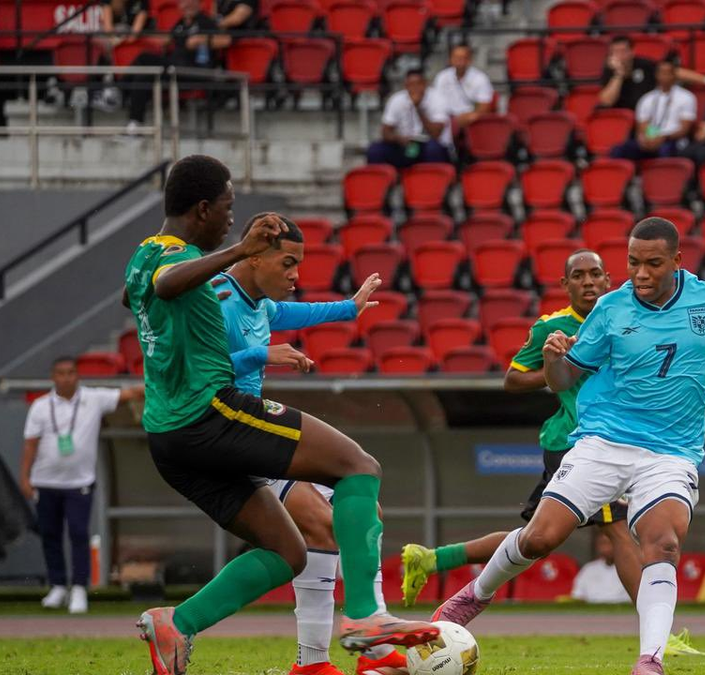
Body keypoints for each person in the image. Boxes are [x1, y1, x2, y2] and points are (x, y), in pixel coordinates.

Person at [431, 217, 705, 675]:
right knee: (541, 537)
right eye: (633, 263)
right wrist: (553, 360)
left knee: (662, 543)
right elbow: (568, 377)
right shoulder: (611, 308)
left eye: (653, 264)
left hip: (671, 453)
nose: (641, 274)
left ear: (677, 262)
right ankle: (472, 598)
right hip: (602, 442)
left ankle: (650, 660)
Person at [123, 155, 437, 675]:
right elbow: (165, 285)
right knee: (358, 467)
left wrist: (348, 307)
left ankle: (176, 624)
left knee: (290, 550)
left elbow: (139, 295)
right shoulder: (180, 260)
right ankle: (363, 620)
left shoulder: (143, 255)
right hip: (210, 413)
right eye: (226, 207)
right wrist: (237, 251)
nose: (230, 217)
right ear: (203, 208)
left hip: (170, 436)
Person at [400, 249, 703, 658]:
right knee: (612, 533)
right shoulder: (553, 326)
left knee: (537, 538)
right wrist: (560, 364)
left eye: (596, 274)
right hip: (575, 444)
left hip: (616, 445)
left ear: (608, 278)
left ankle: (436, 559)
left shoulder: (624, 317)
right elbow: (512, 378)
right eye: (578, 276)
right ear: (566, 285)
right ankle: (657, 637)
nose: (589, 282)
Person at [214, 214, 404, 675]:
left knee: (359, 515)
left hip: (249, 429)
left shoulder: (258, 301)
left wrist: (350, 307)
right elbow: (199, 369)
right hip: (223, 432)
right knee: (327, 515)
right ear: (254, 256)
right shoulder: (217, 299)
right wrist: (262, 354)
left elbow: (295, 314)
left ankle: (318, 661)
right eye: (289, 263)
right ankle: (368, 637)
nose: (297, 275)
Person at [20, 357, 143, 614]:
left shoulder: (93, 398)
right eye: (61, 373)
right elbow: (30, 445)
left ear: (78, 375)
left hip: (79, 482)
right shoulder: (41, 406)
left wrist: (160, 381)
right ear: (53, 376)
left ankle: (78, 588)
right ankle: (57, 586)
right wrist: (25, 478)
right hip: (45, 481)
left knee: (78, 533)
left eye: (71, 373)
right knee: (50, 535)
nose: (67, 378)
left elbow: (128, 393)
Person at [124, 0, 228, 128]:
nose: (186, 6)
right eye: (183, 3)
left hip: (194, 71)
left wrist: (203, 40)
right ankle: (134, 123)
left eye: (190, 3)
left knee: (145, 58)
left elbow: (226, 40)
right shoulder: (180, 24)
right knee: (144, 75)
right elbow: (167, 39)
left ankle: (119, 90)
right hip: (175, 69)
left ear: (198, 4)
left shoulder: (205, 21)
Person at [611, 61, 696, 161]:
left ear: (674, 75)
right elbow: (642, 125)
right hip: (652, 138)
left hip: (672, 139)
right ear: (656, 75)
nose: (664, 77)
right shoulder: (647, 99)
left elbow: (684, 129)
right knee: (620, 150)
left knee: (665, 150)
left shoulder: (686, 97)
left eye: (668, 73)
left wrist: (663, 138)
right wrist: (650, 138)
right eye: (661, 73)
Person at [366, 70, 452, 168]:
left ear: (425, 84)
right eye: (411, 85)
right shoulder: (396, 99)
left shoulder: (437, 99)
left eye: (418, 84)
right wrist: (398, 138)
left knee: (433, 149)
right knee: (375, 150)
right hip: (404, 143)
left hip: (427, 144)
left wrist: (418, 107)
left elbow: (436, 133)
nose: (415, 88)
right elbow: (385, 132)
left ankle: (431, 179)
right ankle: (388, 178)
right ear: (405, 86)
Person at [431, 44, 494, 130]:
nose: (459, 61)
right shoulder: (442, 77)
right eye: (456, 57)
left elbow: (484, 108)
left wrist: (468, 117)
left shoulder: (480, 78)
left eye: (463, 58)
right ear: (450, 59)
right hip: (445, 119)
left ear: (470, 60)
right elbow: (435, 102)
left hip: (469, 119)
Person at [572, 529, 632, 604]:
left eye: (609, 543)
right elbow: (578, 596)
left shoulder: (632, 568)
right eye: (602, 544)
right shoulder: (589, 568)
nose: (605, 548)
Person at [598, 36, 657, 111]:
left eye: (623, 51)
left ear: (632, 52)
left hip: (646, 112)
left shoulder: (646, 66)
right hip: (621, 116)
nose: (620, 56)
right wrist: (619, 74)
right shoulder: (609, 70)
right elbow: (607, 101)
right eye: (615, 52)